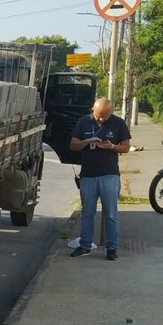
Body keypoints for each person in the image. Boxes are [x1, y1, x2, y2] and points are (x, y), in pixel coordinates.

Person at [69, 97, 131, 261]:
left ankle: (112, 248)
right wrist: (87, 141)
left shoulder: (118, 123)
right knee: (87, 212)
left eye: (105, 116)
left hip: (109, 174)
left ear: (111, 112)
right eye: (98, 116)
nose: (101, 119)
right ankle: (85, 245)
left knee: (111, 213)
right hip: (88, 174)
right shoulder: (84, 122)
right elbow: (73, 145)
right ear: (93, 110)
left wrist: (111, 146)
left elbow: (126, 147)